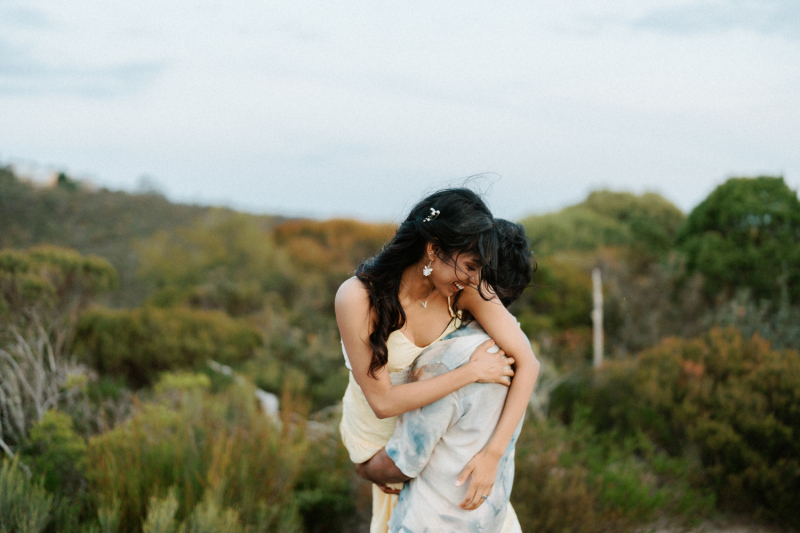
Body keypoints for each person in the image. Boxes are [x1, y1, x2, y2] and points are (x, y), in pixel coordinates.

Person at [335, 188, 539, 533]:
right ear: (434, 249)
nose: (475, 279)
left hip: (434, 433)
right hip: (383, 440)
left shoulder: (465, 290)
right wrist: (471, 372)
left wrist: (494, 455)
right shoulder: (357, 296)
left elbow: (528, 363)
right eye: (471, 265)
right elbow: (383, 402)